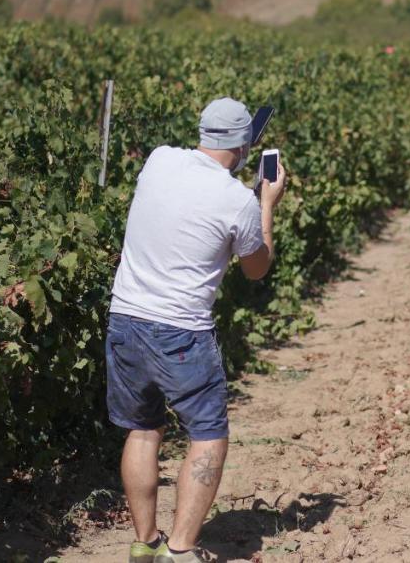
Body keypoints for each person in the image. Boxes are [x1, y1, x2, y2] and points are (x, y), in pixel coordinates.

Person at [106, 97, 285, 563]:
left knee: (143, 430)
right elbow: (256, 268)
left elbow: (189, 203)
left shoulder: (158, 160)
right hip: (181, 331)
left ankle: (145, 544)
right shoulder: (238, 201)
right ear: (245, 146)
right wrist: (265, 204)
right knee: (207, 434)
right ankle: (181, 551)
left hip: (125, 318)